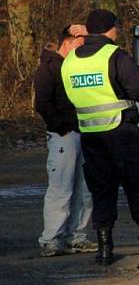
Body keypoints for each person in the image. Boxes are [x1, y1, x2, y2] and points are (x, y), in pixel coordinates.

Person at [61, 9, 139, 266]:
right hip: (121, 132)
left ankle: (105, 248)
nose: (118, 31)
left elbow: (69, 97)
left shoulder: (70, 61)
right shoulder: (114, 55)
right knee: (136, 186)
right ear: (109, 28)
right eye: (116, 26)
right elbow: (138, 89)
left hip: (91, 135)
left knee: (101, 190)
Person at [33, 26, 96, 257]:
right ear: (68, 42)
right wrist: (62, 128)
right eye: (80, 44)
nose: (83, 49)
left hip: (80, 133)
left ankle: (75, 237)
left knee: (84, 189)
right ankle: (52, 239)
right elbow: (43, 103)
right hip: (64, 136)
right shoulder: (48, 69)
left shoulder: (72, 67)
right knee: (61, 189)